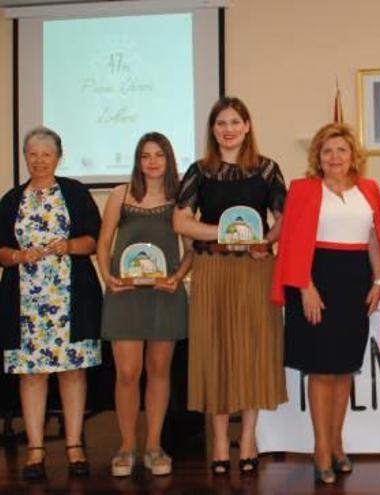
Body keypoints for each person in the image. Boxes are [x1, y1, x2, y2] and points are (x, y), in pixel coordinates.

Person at [173, 97, 287, 475]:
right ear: (212, 129)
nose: (228, 128)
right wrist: (223, 231)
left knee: (251, 352)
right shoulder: (199, 171)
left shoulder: (268, 169)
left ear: (247, 126)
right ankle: (221, 439)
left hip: (255, 271)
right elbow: (182, 222)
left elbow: (285, 220)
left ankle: (250, 437)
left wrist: (265, 241)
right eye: (221, 122)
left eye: (235, 121)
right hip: (211, 269)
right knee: (216, 352)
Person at [272, 123, 380, 484]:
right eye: (327, 151)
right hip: (315, 281)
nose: (335, 157)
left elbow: (375, 240)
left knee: (343, 370)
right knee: (321, 370)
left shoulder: (369, 190)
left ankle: (337, 444)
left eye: (341, 150)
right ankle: (320, 449)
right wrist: (305, 286)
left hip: (354, 282)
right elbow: (292, 241)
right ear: (318, 158)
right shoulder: (303, 190)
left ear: (353, 155)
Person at [0, 127, 102, 479]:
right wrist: (16, 255)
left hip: (70, 300)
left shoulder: (74, 192)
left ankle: (75, 447)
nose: (39, 160)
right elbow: (0, 250)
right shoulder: (12, 199)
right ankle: (35, 451)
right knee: (31, 375)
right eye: (32, 154)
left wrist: (69, 246)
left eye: (46, 154)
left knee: (73, 372)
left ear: (59, 157)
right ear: (25, 157)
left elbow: (94, 240)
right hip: (25, 303)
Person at [97, 132, 193, 477]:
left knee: (159, 371)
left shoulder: (180, 196)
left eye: (159, 155)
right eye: (145, 156)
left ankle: (153, 445)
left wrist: (177, 277)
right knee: (126, 372)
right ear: (138, 161)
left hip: (164, 295)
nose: (152, 162)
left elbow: (190, 249)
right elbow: (104, 241)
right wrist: (108, 276)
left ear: (169, 159)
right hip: (124, 294)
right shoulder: (120, 194)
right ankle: (126, 445)